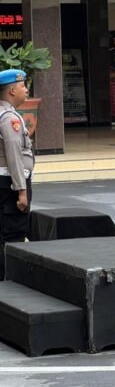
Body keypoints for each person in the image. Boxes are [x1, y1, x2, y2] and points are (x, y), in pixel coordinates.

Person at [0, 70, 33, 279]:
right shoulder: (9, 118)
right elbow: (13, 154)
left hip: (3, 184)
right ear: (12, 90)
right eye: (23, 86)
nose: (26, 90)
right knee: (13, 235)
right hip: (10, 187)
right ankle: (10, 284)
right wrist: (21, 190)